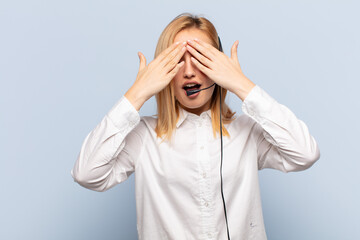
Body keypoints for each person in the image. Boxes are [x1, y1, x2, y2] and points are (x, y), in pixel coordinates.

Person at [71, 12, 320, 240]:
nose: (189, 72)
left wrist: (241, 84)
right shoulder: (144, 137)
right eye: (178, 60)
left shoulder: (248, 132)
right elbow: (87, 174)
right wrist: (137, 94)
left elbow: (305, 154)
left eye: (200, 58)